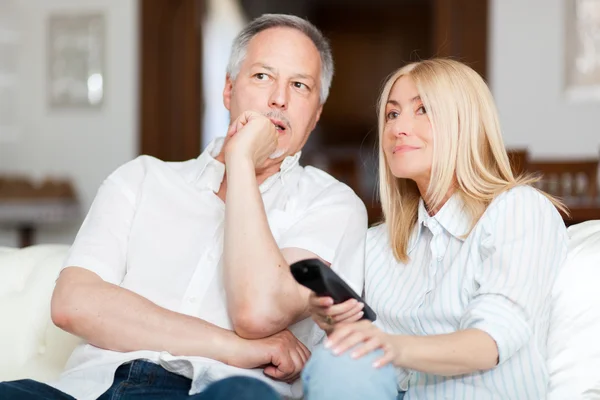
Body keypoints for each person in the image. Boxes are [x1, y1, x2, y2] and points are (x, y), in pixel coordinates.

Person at [0, 14, 367, 400]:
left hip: (216, 392)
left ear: (315, 115)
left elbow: (257, 311)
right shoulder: (141, 179)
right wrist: (237, 347)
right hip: (89, 389)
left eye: (299, 85)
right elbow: (72, 304)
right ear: (228, 90)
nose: (279, 98)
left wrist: (241, 161)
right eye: (262, 76)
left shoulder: (331, 204)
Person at [302, 58, 569, 400]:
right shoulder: (377, 244)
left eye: (422, 109)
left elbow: (489, 343)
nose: (398, 128)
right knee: (336, 361)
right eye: (392, 114)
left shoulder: (519, 210)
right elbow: (372, 369)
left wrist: (390, 346)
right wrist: (337, 325)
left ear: (465, 123)